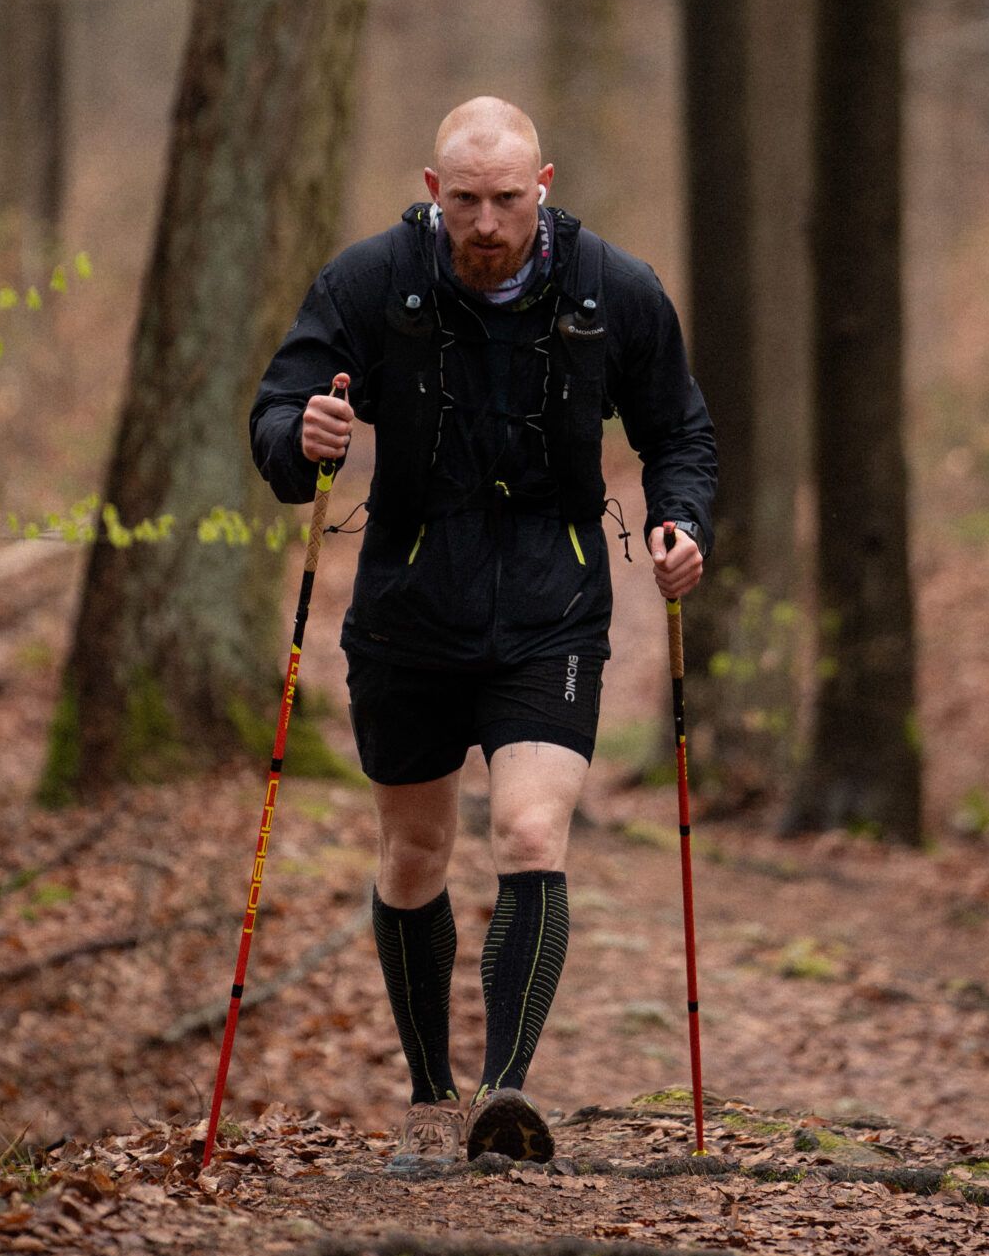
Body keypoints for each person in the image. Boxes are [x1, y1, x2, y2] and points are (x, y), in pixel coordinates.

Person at [251, 96, 715, 1168]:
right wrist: (302, 436)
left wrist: (682, 522)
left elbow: (680, 434)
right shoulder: (371, 282)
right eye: (465, 200)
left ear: (542, 185)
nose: (488, 222)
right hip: (408, 608)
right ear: (433, 191)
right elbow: (277, 414)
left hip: (553, 606)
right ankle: (430, 1096)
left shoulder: (613, 289)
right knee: (414, 851)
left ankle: (505, 1093)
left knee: (530, 835)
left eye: (508, 198)